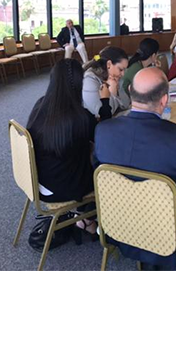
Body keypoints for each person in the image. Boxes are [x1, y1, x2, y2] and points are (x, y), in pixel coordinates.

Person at [94, 67, 176, 270]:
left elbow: (100, 178)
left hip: (119, 225)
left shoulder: (103, 131)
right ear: (164, 100)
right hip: (174, 234)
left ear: (130, 91)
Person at [27, 60, 113, 230]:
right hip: (63, 187)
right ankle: (89, 220)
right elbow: (106, 136)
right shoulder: (80, 117)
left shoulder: (40, 104)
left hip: (39, 181)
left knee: (86, 156)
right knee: (107, 169)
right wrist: (105, 101)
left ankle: (85, 218)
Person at [81, 47, 127, 119]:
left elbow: (126, 103)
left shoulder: (114, 77)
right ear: (109, 64)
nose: (123, 74)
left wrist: (118, 88)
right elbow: (102, 114)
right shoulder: (89, 80)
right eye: (121, 69)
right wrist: (113, 93)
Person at [120, 37, 161, 104]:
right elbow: (149, 89)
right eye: (157, 53)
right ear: (153, 55)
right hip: (128, 103)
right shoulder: (136, 69)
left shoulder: (138, 63)